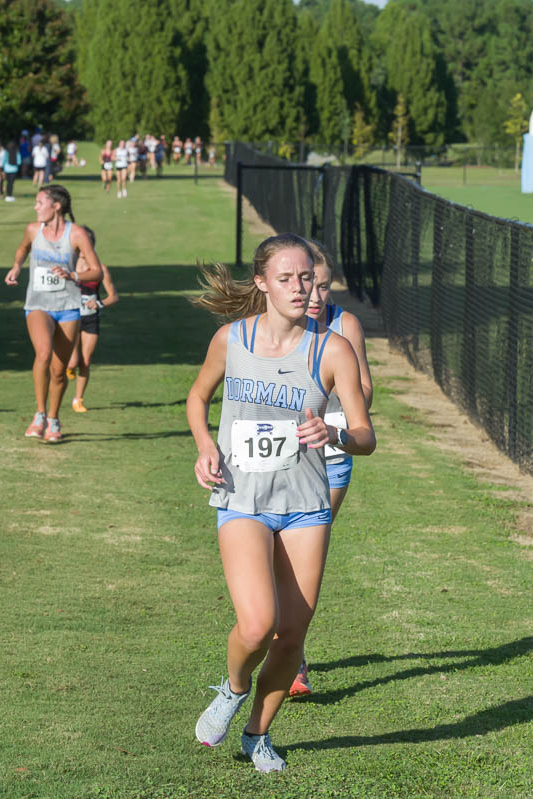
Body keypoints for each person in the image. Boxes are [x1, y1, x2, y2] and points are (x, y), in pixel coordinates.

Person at [186, 233, 376, 773]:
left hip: (305, 504)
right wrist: (205, 446)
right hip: (242, 497)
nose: (301, 287)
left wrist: (334, 434)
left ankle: (256, 735)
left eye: (307, 278)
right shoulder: (231, 339)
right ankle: (232, 687)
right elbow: (198, 396)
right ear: (262, 284)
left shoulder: (332, 348)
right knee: (256, 625)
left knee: (291, 635)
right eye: (288, 278)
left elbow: (365, 434)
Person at [289, 239, 374, 698]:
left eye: (324, 286)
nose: (317, 297)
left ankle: (295, 659)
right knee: (277, 561)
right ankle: (277, 642)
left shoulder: (346, 325)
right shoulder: (278, 326)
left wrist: (343, 406)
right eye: (310, 285)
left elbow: (364, 387)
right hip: (281, 461)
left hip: (334, 458)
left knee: (303, 560)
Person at [5, 185, 104, 444]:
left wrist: (73, 275)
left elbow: (97, 271)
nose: (36, 207)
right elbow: (22, 250)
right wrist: (16, 266)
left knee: (60, 370)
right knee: (43, 353)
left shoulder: (77, 234)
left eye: (40, 202)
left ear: (56, 206)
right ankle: (39, 414)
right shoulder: (33, 230)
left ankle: (53, 418)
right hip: (38, 304)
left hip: (69, 307)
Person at [68, 228, 119, 414]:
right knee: (73, 361)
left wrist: (98, 303)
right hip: (71, 316)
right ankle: (70, 367)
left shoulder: (100, 269)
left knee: (86, 361)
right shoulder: (69, 266)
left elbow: (114, 296)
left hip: (90, 318)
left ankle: (78, 399)